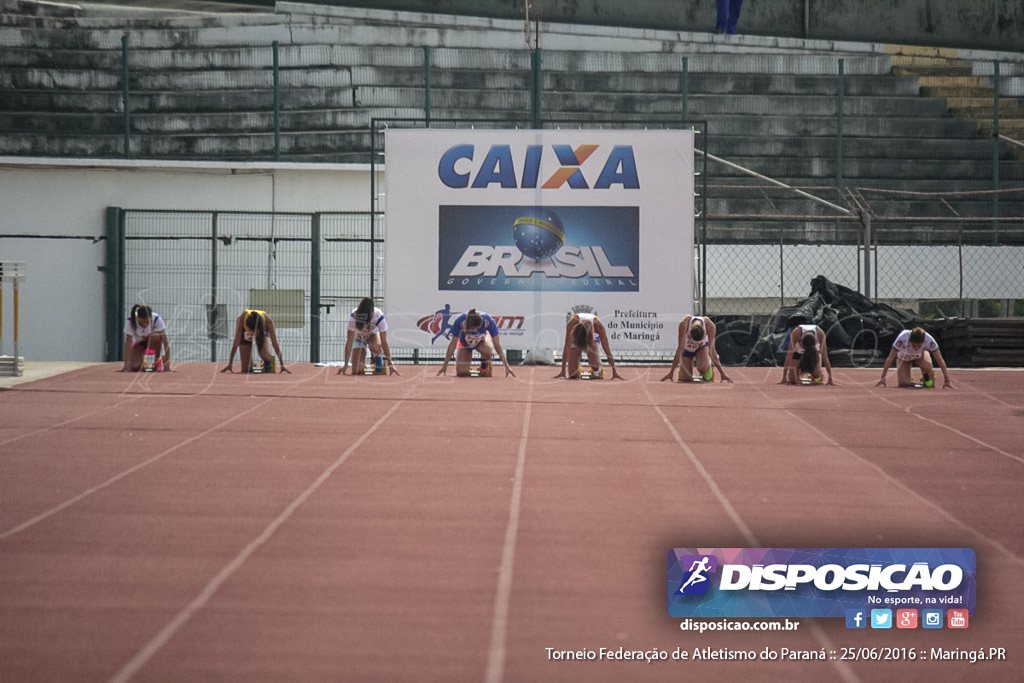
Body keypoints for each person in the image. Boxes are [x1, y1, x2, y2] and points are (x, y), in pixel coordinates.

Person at [437, 308, 516, 377]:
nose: (475, 331)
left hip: (481, 342)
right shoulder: (459, 321)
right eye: (473, 329)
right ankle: (467, 367)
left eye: (477, 328)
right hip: (465, 345)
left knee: (487, 351)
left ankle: (484, 366)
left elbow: (497, 345)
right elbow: (453, 344)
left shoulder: (489, 321)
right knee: (462, 373)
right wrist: (445, 365)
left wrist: (506, 366)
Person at [661, 315, 732, 383]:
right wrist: (671, 372)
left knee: (702, 367)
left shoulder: (710, 326)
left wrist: (722, 373)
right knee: (686, 378)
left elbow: (712, 351)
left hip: (702, 347)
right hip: (687, 347)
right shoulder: (684, 324)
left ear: (704, 332)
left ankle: (707, 366)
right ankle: (683, 371)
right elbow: (679, 349)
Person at [338, 297, 399, 376]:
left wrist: (390, 364)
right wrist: (345, 364)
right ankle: (368, 368)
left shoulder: (378, 315)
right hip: (359, 338)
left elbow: (384, 341)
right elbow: (349, 341)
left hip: (372, 335)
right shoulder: (354, 316)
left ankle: (377, 356)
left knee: (375, 346)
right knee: (357, 371)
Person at [876, 326, 952, 388]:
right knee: (903, 384)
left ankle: (925, 376)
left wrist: (947, 379)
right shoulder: (902, 338)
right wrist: (883, 378)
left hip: (920, 356)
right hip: (904, 358)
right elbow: (890, 358)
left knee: (929, 380)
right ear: (909, 340)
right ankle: (909, 379)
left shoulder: (929, 340)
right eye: (913, 345)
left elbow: (939, 359)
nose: (916, 348)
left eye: (919, 345)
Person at [554, 312, 622, 380]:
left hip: (591, 339)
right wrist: (563, 370)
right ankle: (577, 368)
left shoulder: (598, 326)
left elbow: (607, 350)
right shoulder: (572, 324)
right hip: (577, 338)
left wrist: (614, 371)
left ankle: (597, 370)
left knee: (595, 364)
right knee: (572, 375)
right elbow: (567, 347)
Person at [221, 309, 290, 374]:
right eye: (251, 331)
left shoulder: (267, 321)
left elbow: (275, 344)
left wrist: (282, 364)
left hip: (262, 333)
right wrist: (230, 364)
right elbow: (236, 342)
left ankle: (269, 363)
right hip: (244, 332)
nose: (253, 335)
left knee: (264, 355)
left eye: (254, 332)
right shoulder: (242, 319)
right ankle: (252, 366)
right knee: (245, 369)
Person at [122, 304, 171, 372]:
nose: (145, 324)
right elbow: (128, 342)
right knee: (134, 367)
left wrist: (167, 365)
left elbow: (165, 341)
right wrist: (126, 364)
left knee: (156, 335)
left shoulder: (157, 319)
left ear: (151, 317)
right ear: (138, 318)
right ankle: (142, 362)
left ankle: (157, 359)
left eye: (147, 322)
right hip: (139, 345)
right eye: (142, 322)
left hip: (153, 344)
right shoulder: (131, 321)